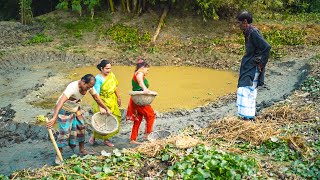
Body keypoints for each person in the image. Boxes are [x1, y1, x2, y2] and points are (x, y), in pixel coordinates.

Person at [46, 74, 111, 164]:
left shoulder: (89, 87)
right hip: (64, 109)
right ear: (82, 81)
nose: (88, 89)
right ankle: (59, 153)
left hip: (75, 108)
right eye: (87, 87)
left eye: (90, 88)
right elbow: (60, 102)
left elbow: (96, 97)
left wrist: (106, 108)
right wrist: (54, 117)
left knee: (81, 127)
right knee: (64, 132)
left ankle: (82, 149)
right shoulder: (72, 87)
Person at [236, 11, 271, 120]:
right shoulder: (248, 32)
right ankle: (249, 115)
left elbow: (267, 47)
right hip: (250, 65)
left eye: (239, 23)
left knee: (244, 90)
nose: (238, 25)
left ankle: (246, 117)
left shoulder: (253, 32)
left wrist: (261, 64)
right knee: (250, 90)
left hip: (252, 66)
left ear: (245, 22)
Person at [89, 60, 121, 147]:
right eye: (107, 68)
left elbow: (115, 87)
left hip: (112, 100)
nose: (109, 70)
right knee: (101, 120)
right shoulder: (98, 79)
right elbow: (96, 95)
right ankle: (103, 139)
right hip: (102, 100)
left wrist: (118, 97)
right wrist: (101, 107)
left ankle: (102, 137)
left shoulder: (112, 76)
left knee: (113, 118)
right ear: (102, 68)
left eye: (110, 68)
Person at [126, 59, 156, 144]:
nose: (147, 72)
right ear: (143, 68)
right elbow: (140, 82)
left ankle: (133, 139)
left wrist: (145, 89)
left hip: (136, 100)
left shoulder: (137, 74)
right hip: (140, 100)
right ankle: (148, 135)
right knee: (151, 115)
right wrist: (145, 89)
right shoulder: (139, 73)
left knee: (138, 119)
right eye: (147, 70)